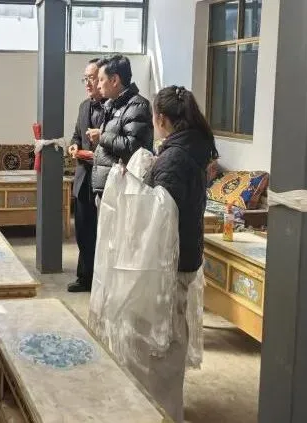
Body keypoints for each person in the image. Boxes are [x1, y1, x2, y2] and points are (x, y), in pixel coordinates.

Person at [142, 86, 218, 422]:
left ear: (161, 118)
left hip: (170, 262)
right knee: (173, 334)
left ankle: (165, 412)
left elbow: (161, 218)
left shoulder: (174, 158)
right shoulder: (192, 148)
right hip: (185, 255)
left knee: (165, 342)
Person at [66, 58, 105, 293]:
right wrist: (74, 146)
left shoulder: (112, 109)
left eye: (92, 78)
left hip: (103, 179)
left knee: (102, 232)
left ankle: (101, 280)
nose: (88, 83)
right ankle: (85, 277)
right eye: (86, 79)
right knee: (83, 231)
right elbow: (76, 135)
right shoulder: (83, 106)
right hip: (83, 178)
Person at [92, 55, 153, 199]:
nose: (98, 85)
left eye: (101, 80)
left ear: (114, 80)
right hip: (109, 188)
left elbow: (134, 147)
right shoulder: (113, 105)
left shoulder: (137, 105)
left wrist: (102, 137)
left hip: (122, 192)